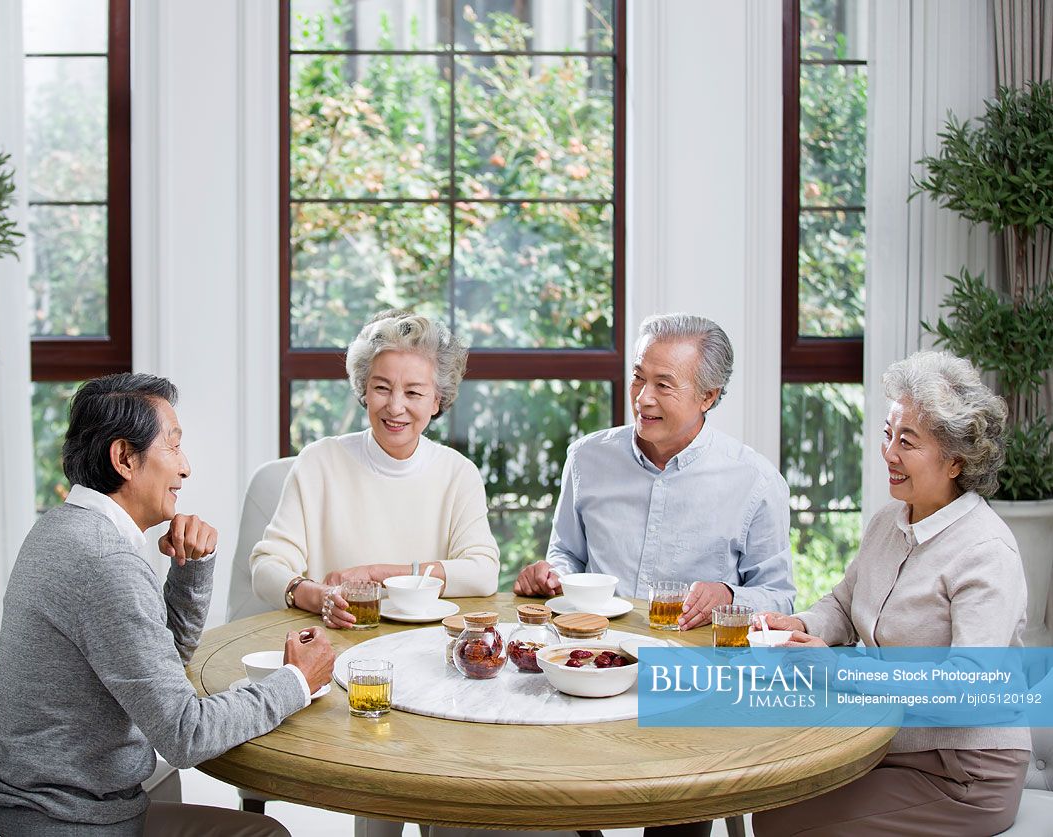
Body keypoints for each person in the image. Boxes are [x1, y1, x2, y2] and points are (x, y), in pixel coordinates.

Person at [0, 374, 335, 837]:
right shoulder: (106, 562)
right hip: (67, 822)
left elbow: (161, 666)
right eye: (173, 446)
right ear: (124, 458)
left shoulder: (63, 527)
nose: (186, 468)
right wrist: (297, 682)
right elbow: (187, 734)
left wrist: (191, 567)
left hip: (34, 806)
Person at [753, 351, 1029, 836]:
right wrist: (799, 625)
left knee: (782, 822)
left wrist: (838, 670)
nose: (889, 453)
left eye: (908, 441)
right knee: (772, 791)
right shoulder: (889, 521)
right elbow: (842, 603)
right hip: (890, 745)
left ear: (955, 461)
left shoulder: (986, 551)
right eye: (888, 434)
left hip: (966, 772)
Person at [514, 313, 795, 629]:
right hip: (594, 652)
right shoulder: (586, 458)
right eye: (637, 377)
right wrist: (552, 576)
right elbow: (567, 553)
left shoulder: (756, 481)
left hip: (688, 666)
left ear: (708, 395)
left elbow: (779, 597)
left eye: (663, 385)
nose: (643, 398)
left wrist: (729, 596)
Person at [250, 310, 500, 628]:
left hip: (425, 649)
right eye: (382, 388)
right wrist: (319, 597)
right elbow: (266, 567)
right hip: (334, 644)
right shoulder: (319, 462)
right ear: (364, 390)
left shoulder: (458, 473)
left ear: (437, 400)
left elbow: (483, 573)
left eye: (413, 392)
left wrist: (376, 575)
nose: (395, 407)